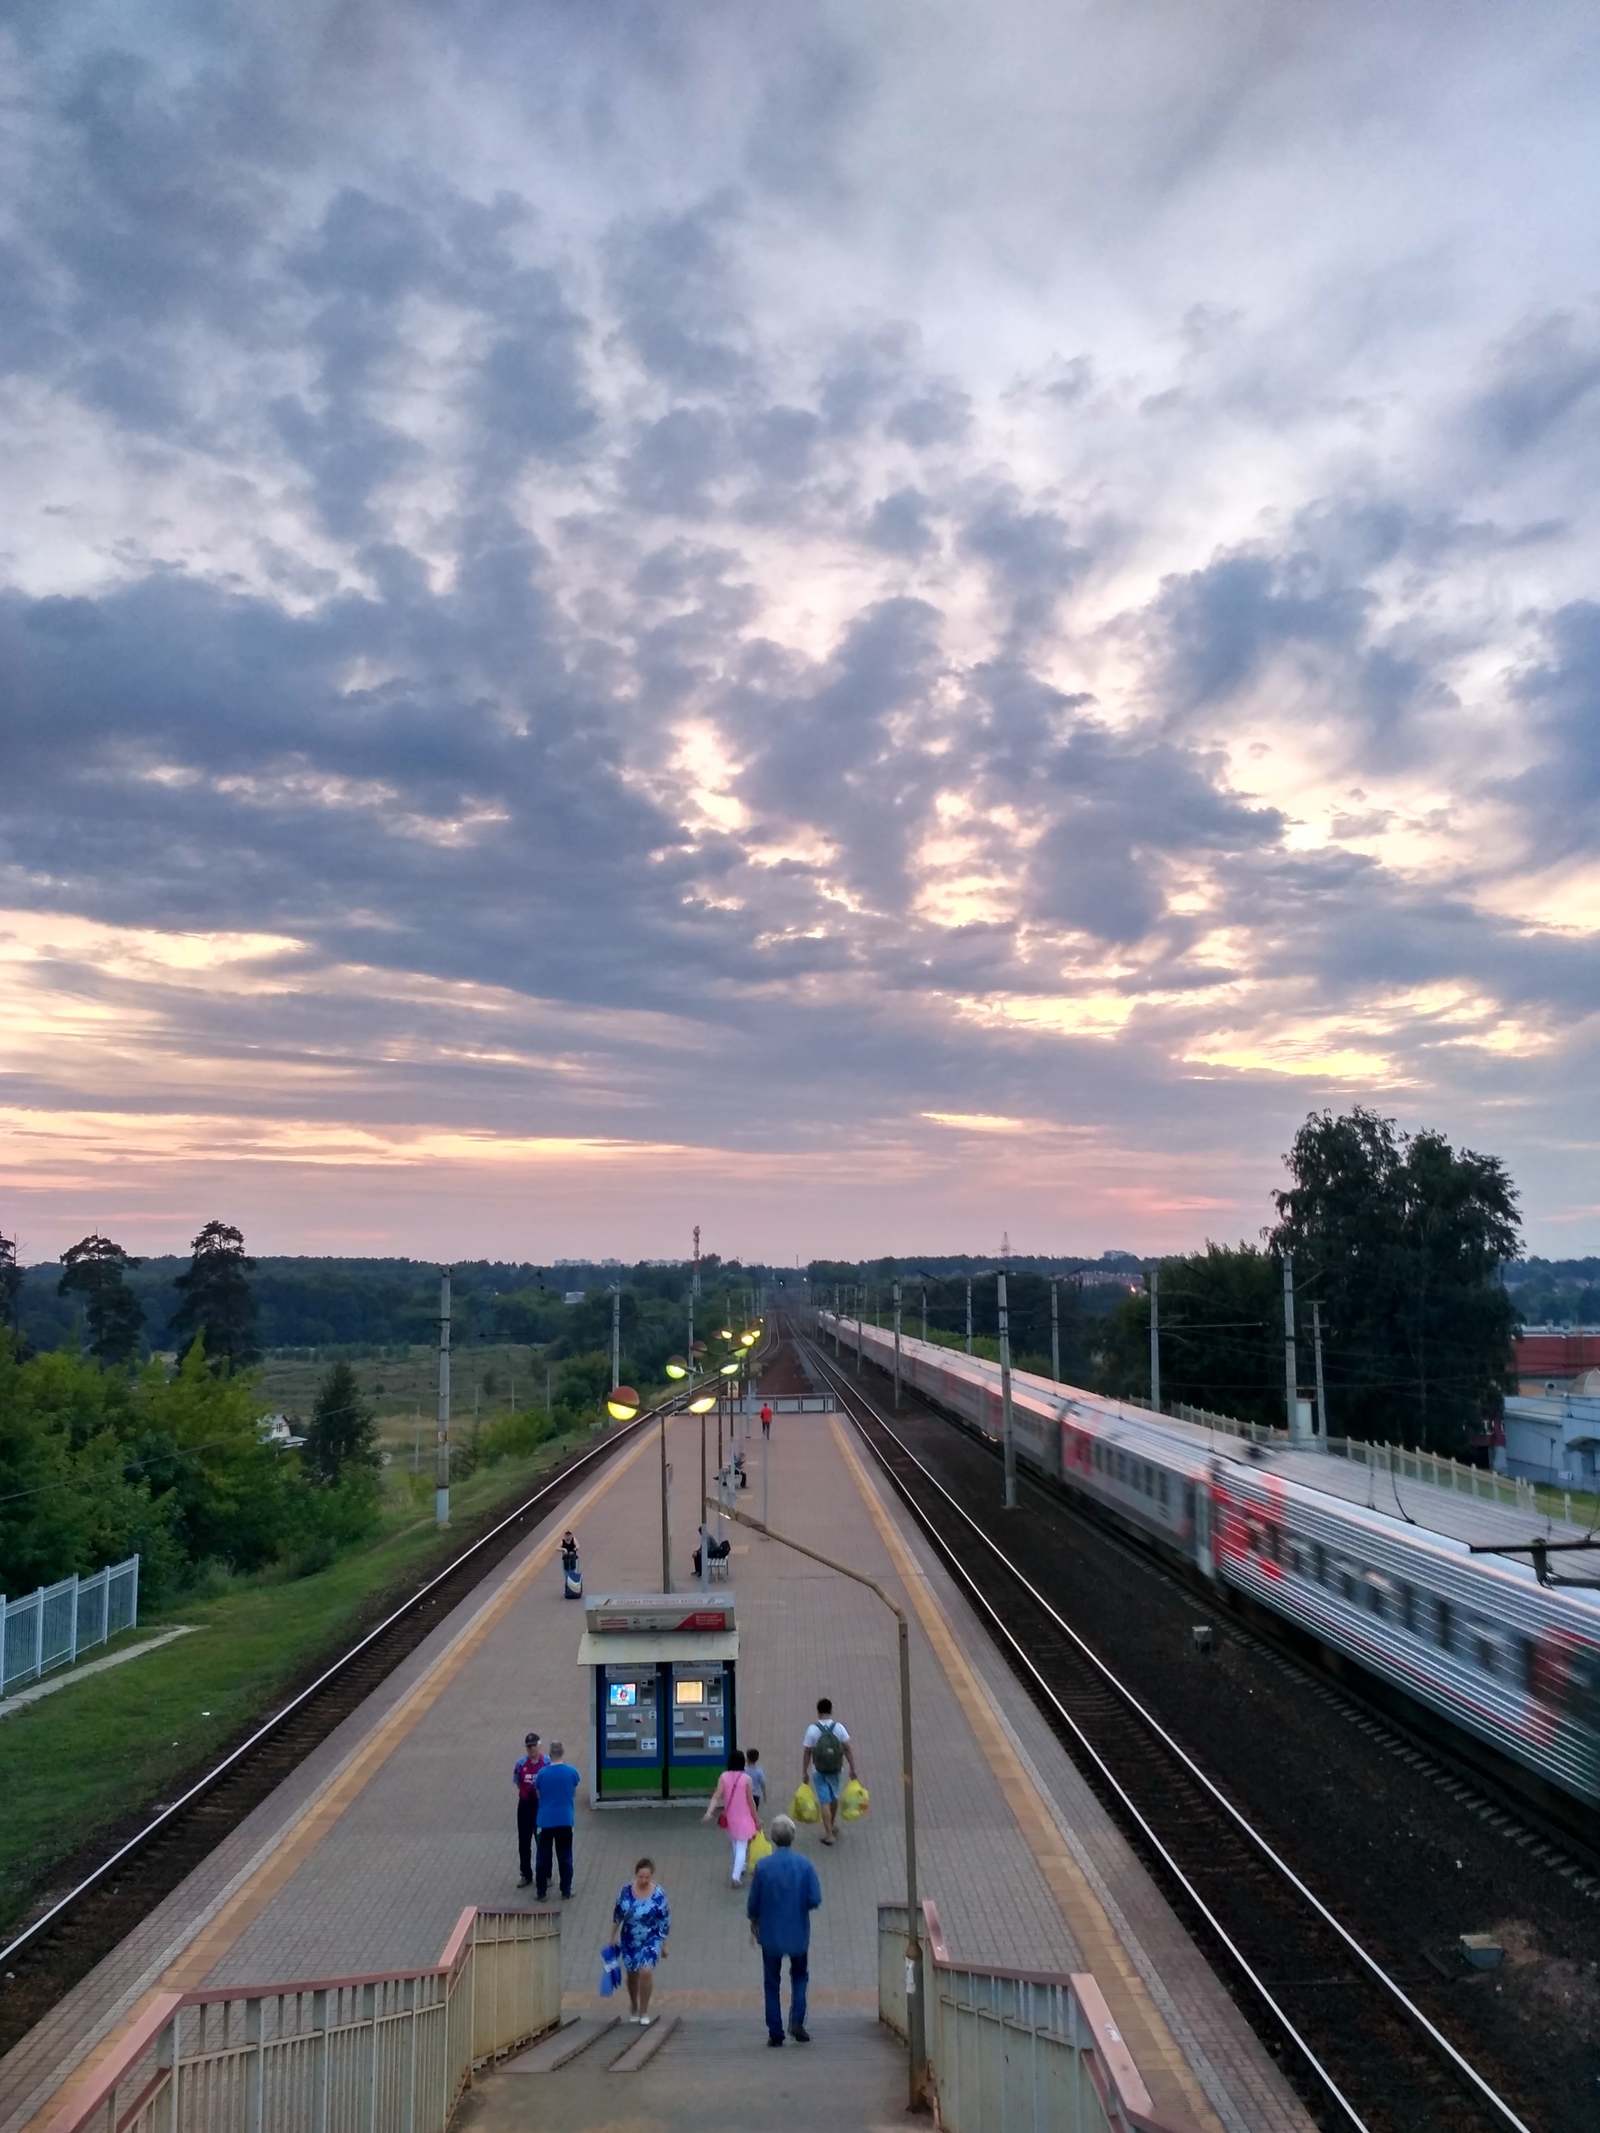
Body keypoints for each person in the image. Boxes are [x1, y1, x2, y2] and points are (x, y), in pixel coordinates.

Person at [746, 1814, 822, 2046]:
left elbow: (753, 1903)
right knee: (799, 1976)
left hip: (770, 1934)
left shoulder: (763, 1866)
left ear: (773, 1838)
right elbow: (815, 1898)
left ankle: (775, 2032)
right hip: (798, 1931)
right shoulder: (805, 1865)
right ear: (793, 1837)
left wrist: (754, 1920)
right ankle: (797, 2020)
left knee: (771, 1982)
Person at [612, 1856, 669, 2025]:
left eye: (647, 1877)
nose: (644, 1880)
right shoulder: (625, 1892)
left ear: (652, 1877)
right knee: (632, 1974)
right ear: (636, 1875)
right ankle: (634, 2005)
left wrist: (664, 1944)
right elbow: (617, 1915)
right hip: (630, 1937)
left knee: (646, 1971)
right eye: (641, 1877)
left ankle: (644, 2010)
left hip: (651, 1937)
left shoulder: (658, 1894)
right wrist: (611, 1937)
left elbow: (664, 1919)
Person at [801, 1697, 859, 1847]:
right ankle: (831, 1825)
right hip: (836, 1768)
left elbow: (807, 1751)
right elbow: (847, 1748)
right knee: (834, 1797)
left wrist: (804, 1771)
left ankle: (828, 1834)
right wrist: (853, 1768)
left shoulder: (812, 1729)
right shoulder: (838, 1727)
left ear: (818, 1712)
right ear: (831, 1711)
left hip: (818, 1770)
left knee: (824, 1801)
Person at [702, 1748, 761, 1884]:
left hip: (730, 1817)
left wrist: (709, 1812)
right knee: (742, 1846)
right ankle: (736, 1875)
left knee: (735, 1843)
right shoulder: (746, 1779)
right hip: (744, 1817)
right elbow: (751, 1802)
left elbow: (717, 1796)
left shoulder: (723, 1777)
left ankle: (740, 1867)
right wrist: (756, 1819)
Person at [533, 1740, 580, 1898]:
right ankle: (566, 1890)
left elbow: (539, 1795)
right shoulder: (571, 1771)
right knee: (565, 1856)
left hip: (545, 1820)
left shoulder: (542, 1774)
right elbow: (574, 1792)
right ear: (563, 1752)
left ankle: (541, 1893)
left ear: (550, 1754)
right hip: (565, 1819)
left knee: (543, 1857)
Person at [512, 1731, 547, 1887]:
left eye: (534, 1746)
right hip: (525, 1806)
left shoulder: (546, 1763)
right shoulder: (520, 1764)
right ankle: (526, 1874)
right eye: (529, 1747)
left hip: (541, 1807)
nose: (531, 1749)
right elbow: (518, 1783)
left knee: (542, 1841)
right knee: (524, 1842)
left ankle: (545, 1874)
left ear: (539, 1746)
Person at [744, 1745, 767, 1811]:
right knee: (754, 1812)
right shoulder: (759, 1771)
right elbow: (763, 1784)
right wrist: (765, 1796)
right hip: (756, 1796)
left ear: (747, 1758)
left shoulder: (743, 1771)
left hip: (745, 1795)